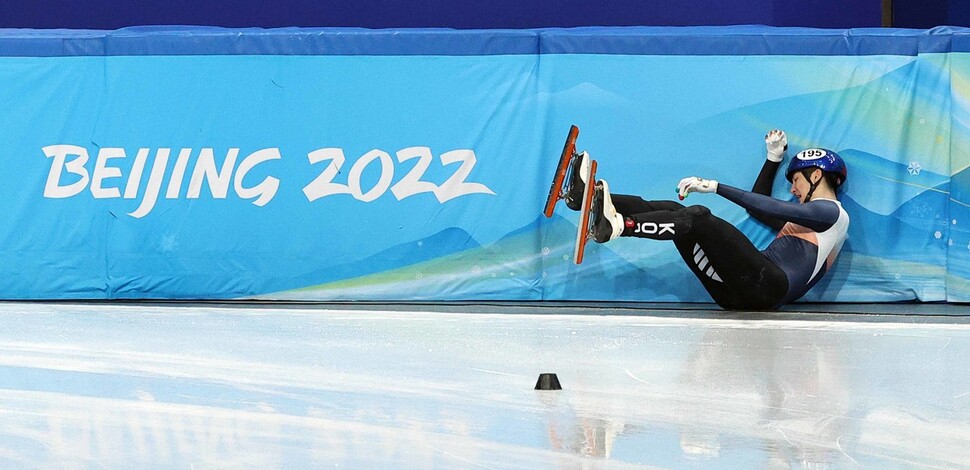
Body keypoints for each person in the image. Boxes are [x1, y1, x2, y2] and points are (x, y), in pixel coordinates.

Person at [565, 130, 849, 310]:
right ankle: (588, 200)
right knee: (674, 212)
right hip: (736, 293)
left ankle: (618, 226)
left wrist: (715, 186)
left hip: (767, 288)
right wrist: (773, 159)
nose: (792, 190)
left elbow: (774, 207)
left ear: (815, 176)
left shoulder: (833, 213)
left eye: (796, 180)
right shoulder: (811, 226)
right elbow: (760, 208)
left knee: (699, 217)